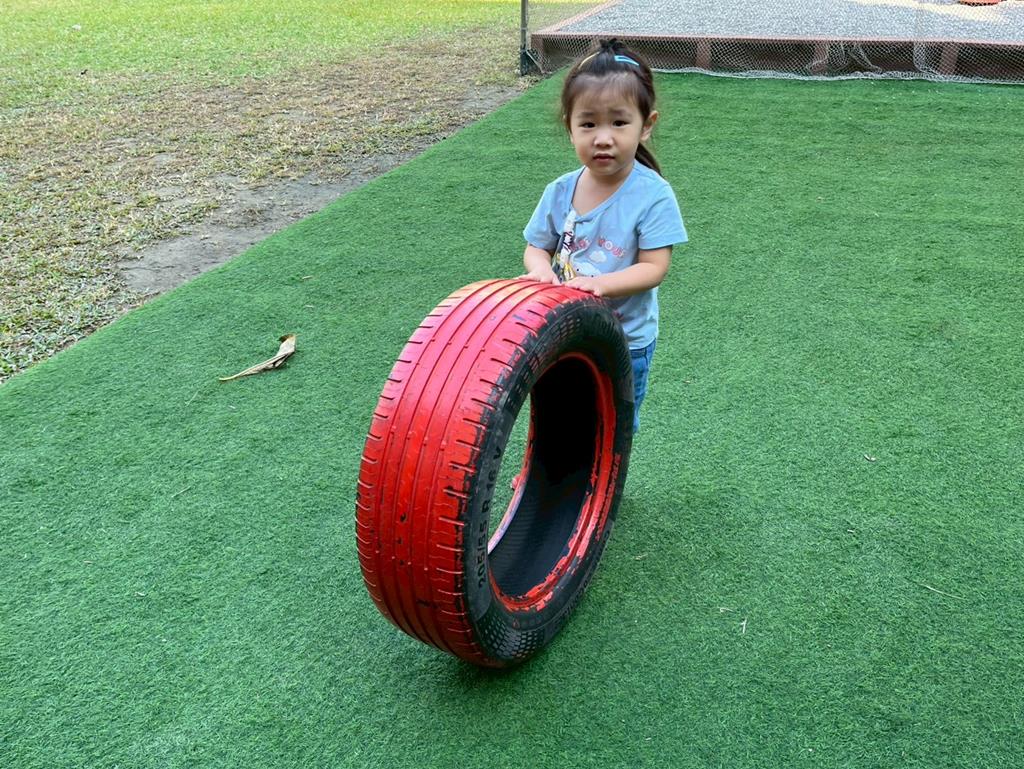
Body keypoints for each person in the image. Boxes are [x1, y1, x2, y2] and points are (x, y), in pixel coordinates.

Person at [521, 39, 688, 432]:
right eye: (588, 123)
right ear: (570, 128)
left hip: (624, 340)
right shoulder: (560, 190)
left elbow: (654, 268)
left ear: (646, 125)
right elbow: (536, 246)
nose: (603, 137)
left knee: (611, 427)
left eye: (619, 122)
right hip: (565, 332)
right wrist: (540, 270)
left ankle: (605, 472)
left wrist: (601, 285)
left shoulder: (653, 195)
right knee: (560, 415)